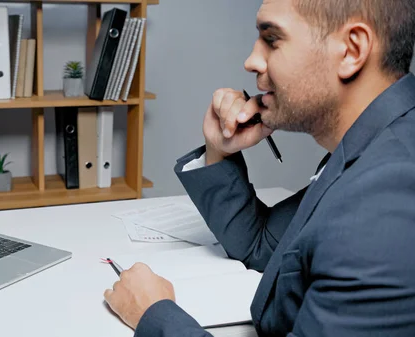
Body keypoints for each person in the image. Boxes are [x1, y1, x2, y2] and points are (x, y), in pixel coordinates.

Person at [103, 0, 415, 336]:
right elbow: (264, 247)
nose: (251, 61)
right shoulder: (374, 148)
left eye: (272, 38)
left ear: (352, 50)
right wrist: (219, 150)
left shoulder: (387, 198)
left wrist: (154, 315)